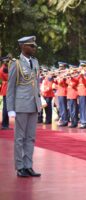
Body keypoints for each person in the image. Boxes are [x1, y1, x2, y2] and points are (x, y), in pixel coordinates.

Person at [7, 36, 42, 177]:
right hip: (21, 105)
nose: (34, 48)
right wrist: (10, 109)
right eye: (31, 46)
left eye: (34, 46)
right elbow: (11, 88)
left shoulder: (35, 62)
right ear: (23, 47)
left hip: (34, 105)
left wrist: (40, 101)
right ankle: (20, 166)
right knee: (19, 138)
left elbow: (36, 85)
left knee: (31, 137)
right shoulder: (16, 64)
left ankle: (28, 166)